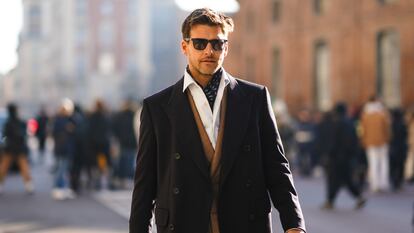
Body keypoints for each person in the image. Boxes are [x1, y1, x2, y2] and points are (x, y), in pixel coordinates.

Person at [129, 8, 306, 233]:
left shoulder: (255, 98)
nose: (209, 51)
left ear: (226, 47)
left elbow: (276, 165)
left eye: (217, 44)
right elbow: (145, 184)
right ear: (185, 47)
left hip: (245, 222)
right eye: (200, 43)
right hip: (182, 223)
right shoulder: (157, 108)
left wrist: (294, 224)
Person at [320, 103, 366, 210]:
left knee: (333, 180)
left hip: (336, 158)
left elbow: (333, 142)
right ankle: (359, 197)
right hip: (348, 157)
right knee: (347, 179)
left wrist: (329, 154)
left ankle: (330, 201)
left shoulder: (336, 123)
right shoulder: (352, 123)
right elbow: (356, 141)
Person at [0, 103, 34, 194]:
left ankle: (28, 185)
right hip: (17, 148)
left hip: (11, 148)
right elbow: (24, 135)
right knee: (22, 167)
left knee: (5, 167)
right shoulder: (19, 122)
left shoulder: (9, 123)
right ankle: (28, 185)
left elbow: (5, 135)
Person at [360, 96, 391, 193]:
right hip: (382, 142)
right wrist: (387, 139)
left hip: (370, 143)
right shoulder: (382, 115)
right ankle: (383, 183)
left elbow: (362, 131)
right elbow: (387, 129)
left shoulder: (365, 116)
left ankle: (374, 184)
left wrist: (363, 141)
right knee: (383, 163)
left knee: (373, 163)